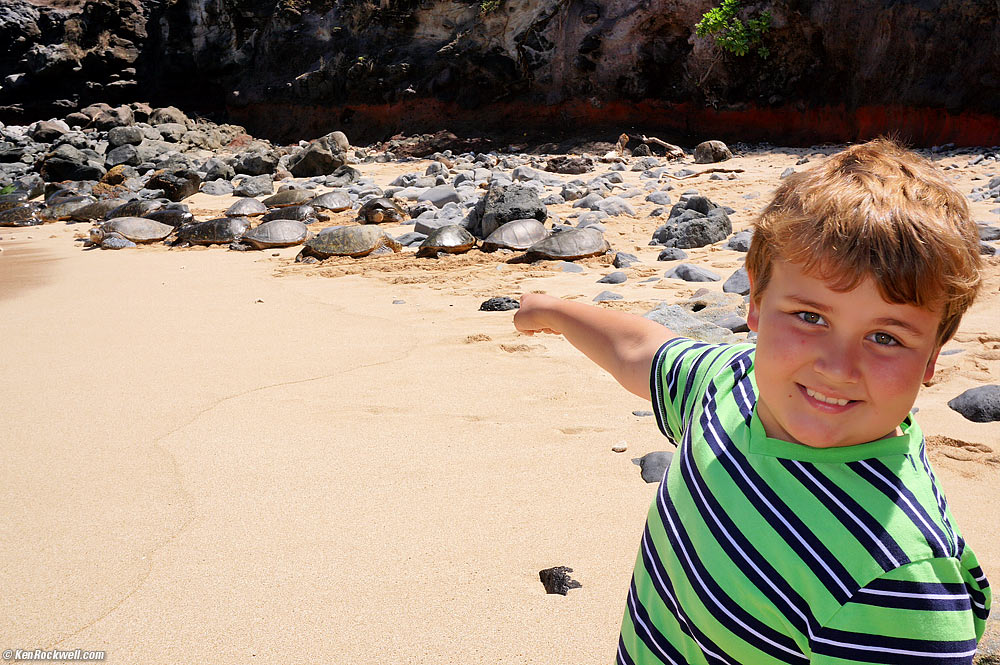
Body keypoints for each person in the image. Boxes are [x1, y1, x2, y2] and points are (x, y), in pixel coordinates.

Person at [513, 138, 992, 664]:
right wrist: (552, 310)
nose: (837, 368)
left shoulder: (896, 579)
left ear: (931, 358)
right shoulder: (731, 385)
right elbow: (640, 352)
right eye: (811, 317)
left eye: (886, 337)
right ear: (756, 307)